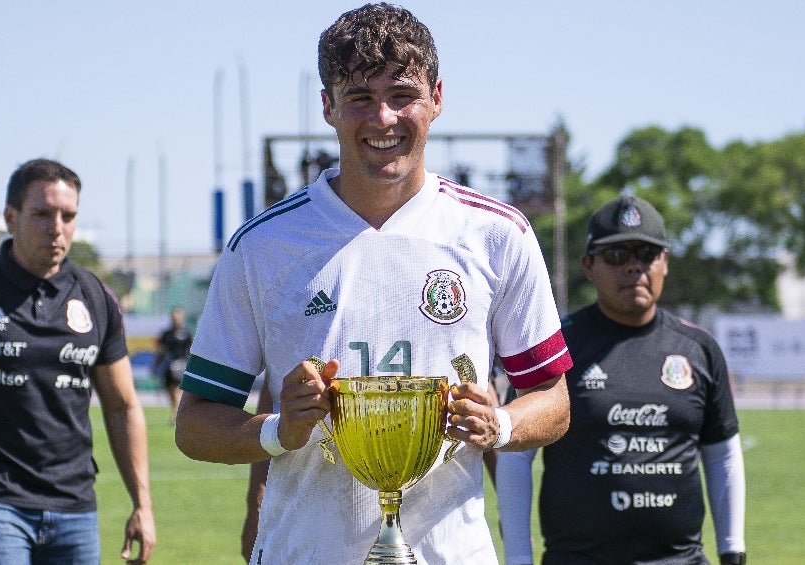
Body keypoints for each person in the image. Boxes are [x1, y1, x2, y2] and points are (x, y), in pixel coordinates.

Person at [176, 4, 573, 564]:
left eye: (402, 94)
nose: (383, 117)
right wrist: (276, 431)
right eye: (360, 97)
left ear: (436, 97)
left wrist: (501, 422)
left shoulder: (496, 234)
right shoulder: (263, 245)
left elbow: (555, 401)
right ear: (328, 107)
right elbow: (194, 424)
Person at [0, 158, 156, 564]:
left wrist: (143, 504)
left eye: (68, 216)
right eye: (42, 214)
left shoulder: (96, 298)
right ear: (10, 217)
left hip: (75, 508)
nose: (57, 227)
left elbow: (123, 406)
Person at [496, 195, 747, 565]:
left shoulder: (699, 349)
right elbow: (516, 456)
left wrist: (732, 551)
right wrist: (518, 558)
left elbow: (722, 454)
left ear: (665, 262)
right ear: (589, 265)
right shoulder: (556, 346)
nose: (633, 267)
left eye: (646, 253)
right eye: (616, 255)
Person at [154, 306, 193, 422]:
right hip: (168, 365)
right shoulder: (166, 334)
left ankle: (176, 413)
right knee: (169, 389)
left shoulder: (186, 333)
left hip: (181, 365)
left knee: (176, 388)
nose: (176, 318)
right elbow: (160, 350)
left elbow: (191, 350)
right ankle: (175, 409)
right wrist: (156, 364)